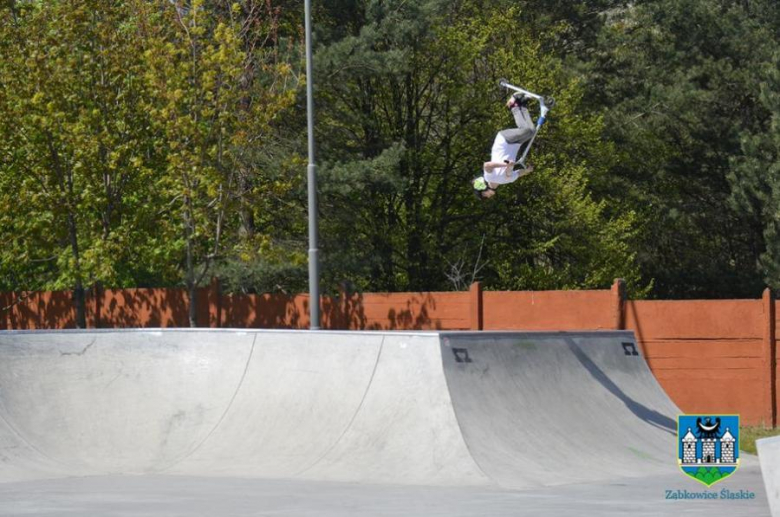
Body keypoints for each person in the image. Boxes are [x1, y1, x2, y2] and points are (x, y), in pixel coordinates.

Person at [472, 93, 536, 199]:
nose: (488, 197)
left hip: (503, 142)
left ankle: (512, 105)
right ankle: (522, 105)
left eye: (485, 196)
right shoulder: (505, 181)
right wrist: (527, 171)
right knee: (531, 131)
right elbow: (518, 173)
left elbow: (487, 165)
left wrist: (505, 165)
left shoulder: (489, 177)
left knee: (525, 130)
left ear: (484, 192)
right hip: (516, 145)